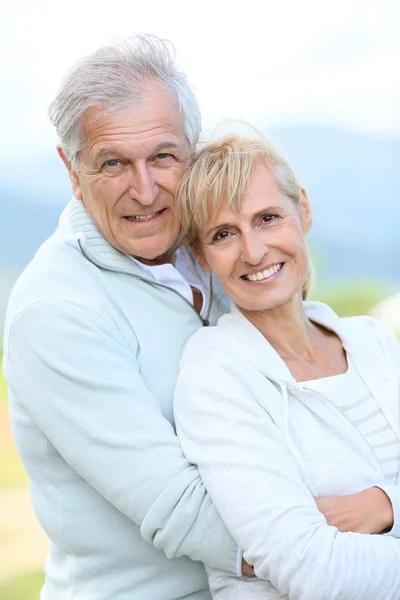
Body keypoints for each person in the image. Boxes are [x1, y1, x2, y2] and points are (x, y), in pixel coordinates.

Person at [2, 35, 243, 600]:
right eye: (113, 163)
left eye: (163, 156)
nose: (145, 188)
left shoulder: (230, 251)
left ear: (194, 150)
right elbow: (183, 513)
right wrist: (356, 531)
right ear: (72, 170)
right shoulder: (55, 309)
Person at [174, 134, 400, 600]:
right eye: (223, 234)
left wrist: (386, 505)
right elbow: (313, 571)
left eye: (268, 218)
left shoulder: (372, 341)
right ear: (201, 257)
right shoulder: (216, 374)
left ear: (305, 212)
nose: (253, 252)